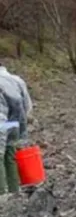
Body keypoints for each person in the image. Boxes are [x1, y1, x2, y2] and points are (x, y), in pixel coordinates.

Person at [0, 63, 31, 195]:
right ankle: (14, 192)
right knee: (10, 155)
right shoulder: (16, 80)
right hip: (14, 123)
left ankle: (1, 194)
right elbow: (27, 105)